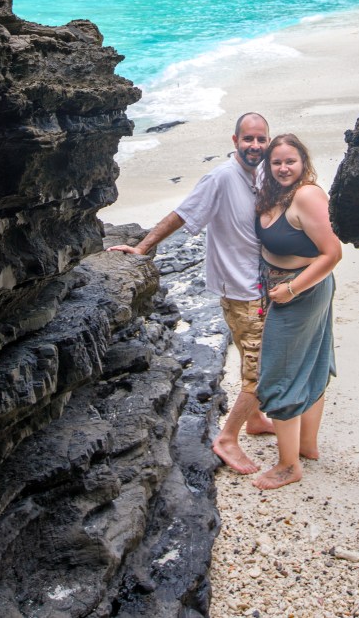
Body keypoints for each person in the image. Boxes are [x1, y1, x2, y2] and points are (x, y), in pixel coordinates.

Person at [109, 112, 274, 474]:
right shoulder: (221, 177)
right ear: (235, 141)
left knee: (252, 358)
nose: (255, 146)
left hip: (255, 286)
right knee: (260, 369)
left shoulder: (260, 173)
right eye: (249, 139)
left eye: (262, 139)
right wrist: (143, 247)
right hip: (241, 290)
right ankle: (227, 439)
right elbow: (183, 214)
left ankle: (255, 419)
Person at [252, 133, 342, 490]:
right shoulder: (274, 194)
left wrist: (291, 288)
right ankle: (305, 446)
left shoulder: (307, 194)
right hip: (289, 287)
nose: (284, 167)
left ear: (303, 161)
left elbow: (332, 254)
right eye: (277, 162)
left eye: (291, 161)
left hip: (301, 290)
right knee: (313, 360)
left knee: (279, 371)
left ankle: (288, 465)